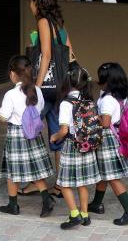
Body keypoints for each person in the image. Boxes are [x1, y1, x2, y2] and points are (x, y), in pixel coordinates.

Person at [22, 0, 73, 197]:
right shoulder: (59, 24)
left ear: (38, 2)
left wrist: (37, 86)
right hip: (60, 89)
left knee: (28, 129)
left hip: (46, 88)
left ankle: (37, 181)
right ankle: (61, 184)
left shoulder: (43, 22)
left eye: (31, 2)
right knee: (57, 134)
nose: (30, 6)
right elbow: (70, 54)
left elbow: (46, 55)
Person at [0, 55, 55, 217]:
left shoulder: (11, 94)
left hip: (17, 134)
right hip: (33, 134)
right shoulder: (37, 90)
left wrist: (0, 115)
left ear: (13, 74)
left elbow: (3, 116)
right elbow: (41, 108)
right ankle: (46, 199)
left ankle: (13, 205)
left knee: (12, 171)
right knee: (35, 170)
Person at [50, 66, 101, 229]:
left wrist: (54, 137)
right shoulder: (88, 100)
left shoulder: (66, 103)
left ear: (67, 81)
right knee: (82, 183)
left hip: (72, 145)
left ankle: (74, 215)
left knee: (64, 183)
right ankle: (85, 214)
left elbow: (64, 131)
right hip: (87, 145)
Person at [88, 63, 128, 226]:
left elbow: (105, 123)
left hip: (107, 140)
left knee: (112, 177)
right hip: (118, 137)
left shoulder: (107, 100)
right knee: (104, 173)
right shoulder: (122, 95)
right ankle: (96, 204)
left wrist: (90, 116)